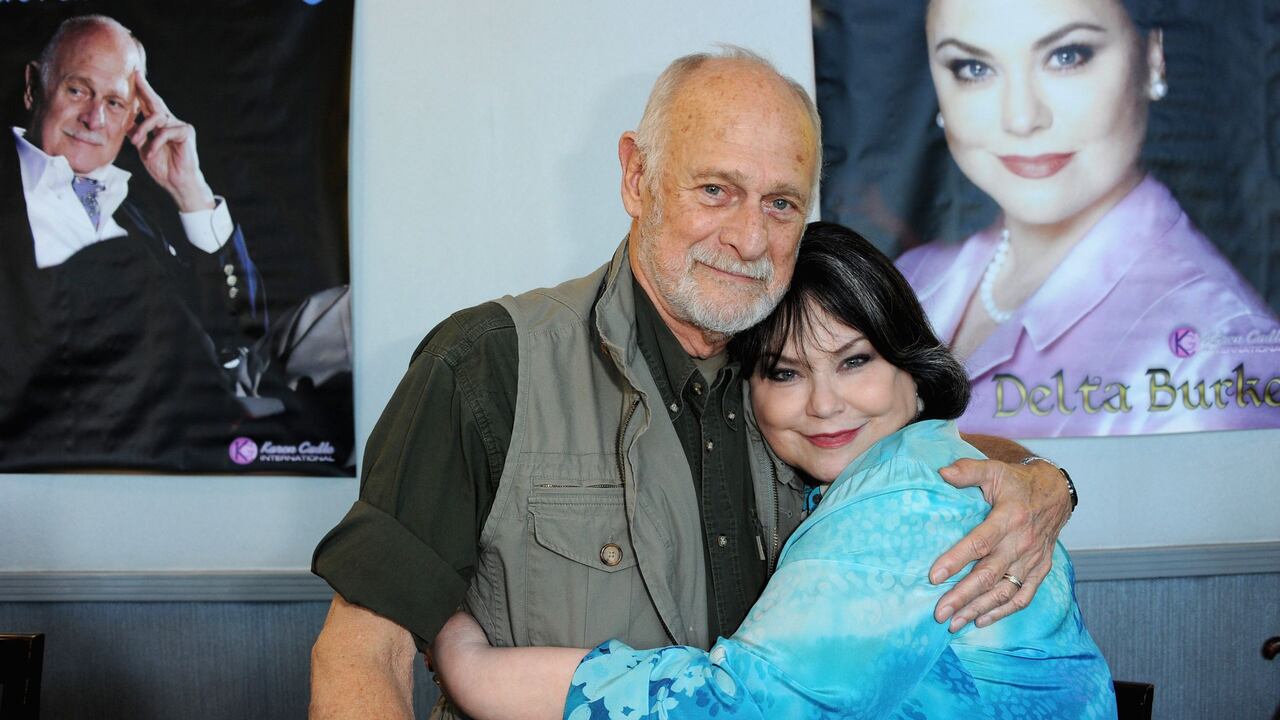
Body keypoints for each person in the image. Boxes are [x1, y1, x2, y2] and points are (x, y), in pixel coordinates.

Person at [309, 48, 1077, 720]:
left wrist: (1041, 481)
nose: (748, 238)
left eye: (781, 204)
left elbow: (925, 456)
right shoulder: (487, 365)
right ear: (638, 177)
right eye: (715, 190)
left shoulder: (791, 373)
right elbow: (359, 654)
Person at [428, 222, 1116, 719]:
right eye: (785, 372)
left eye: (855, 361)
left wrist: (474, 672)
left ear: (911, 366)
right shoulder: (915, 464)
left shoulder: (906, 500)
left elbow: (732, 709)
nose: (823, 403)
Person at [896, 0, 1280, 436]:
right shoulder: (909, 278)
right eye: (973, 68)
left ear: (1152, 59)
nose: (1021, 118)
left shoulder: (1220, 351)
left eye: (1067, 56)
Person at [0, 14, 267, 470]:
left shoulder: (140, 209)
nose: (94, 119)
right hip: (71, 434)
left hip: (204, 416)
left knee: (340, 312)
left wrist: (190, 191)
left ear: (134, 119)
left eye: (116, 103)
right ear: (33, 86)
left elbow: (244, 333)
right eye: (77, 90)